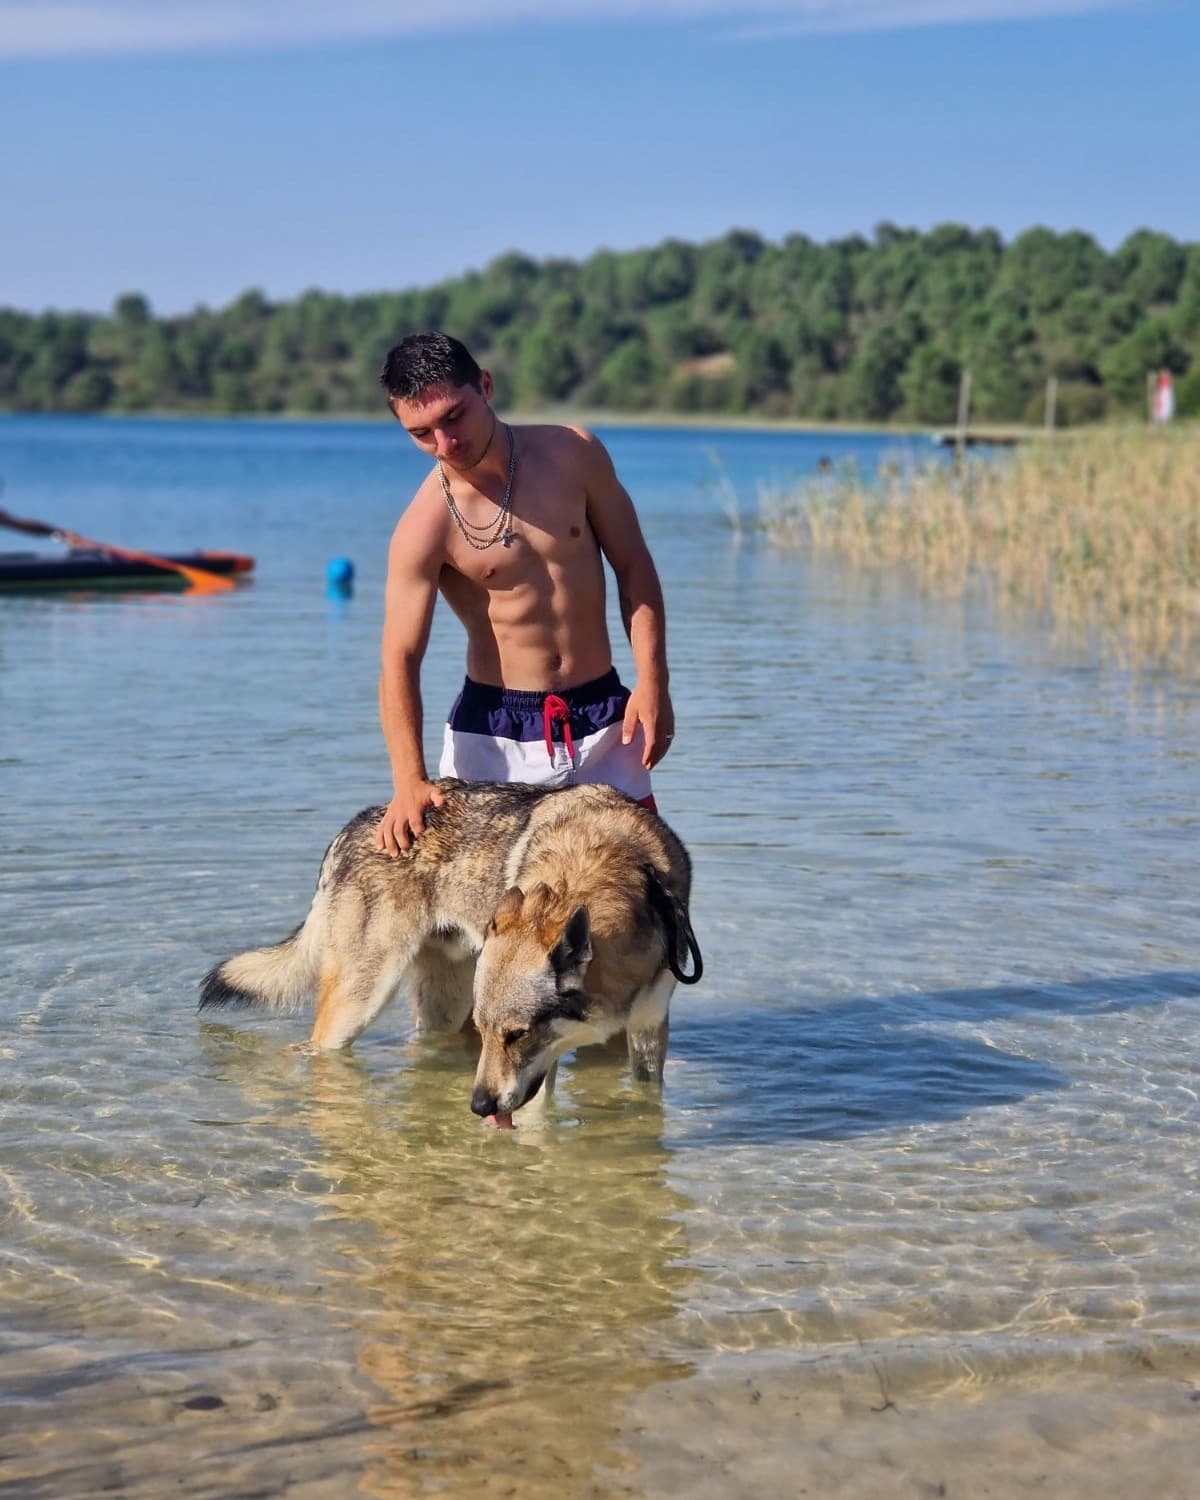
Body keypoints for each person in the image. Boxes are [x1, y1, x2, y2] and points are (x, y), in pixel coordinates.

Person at [374, 332, 674, 857]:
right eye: (421, 434)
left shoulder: (574, 454)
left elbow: (634, 567)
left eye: (453, 417)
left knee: (639, 900)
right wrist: (408, 780)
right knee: (497, 926)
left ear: (485, 386)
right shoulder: (424, 525)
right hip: (494, 738)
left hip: (604, 720)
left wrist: (653, 681)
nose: (445, 444)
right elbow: (399, 657)